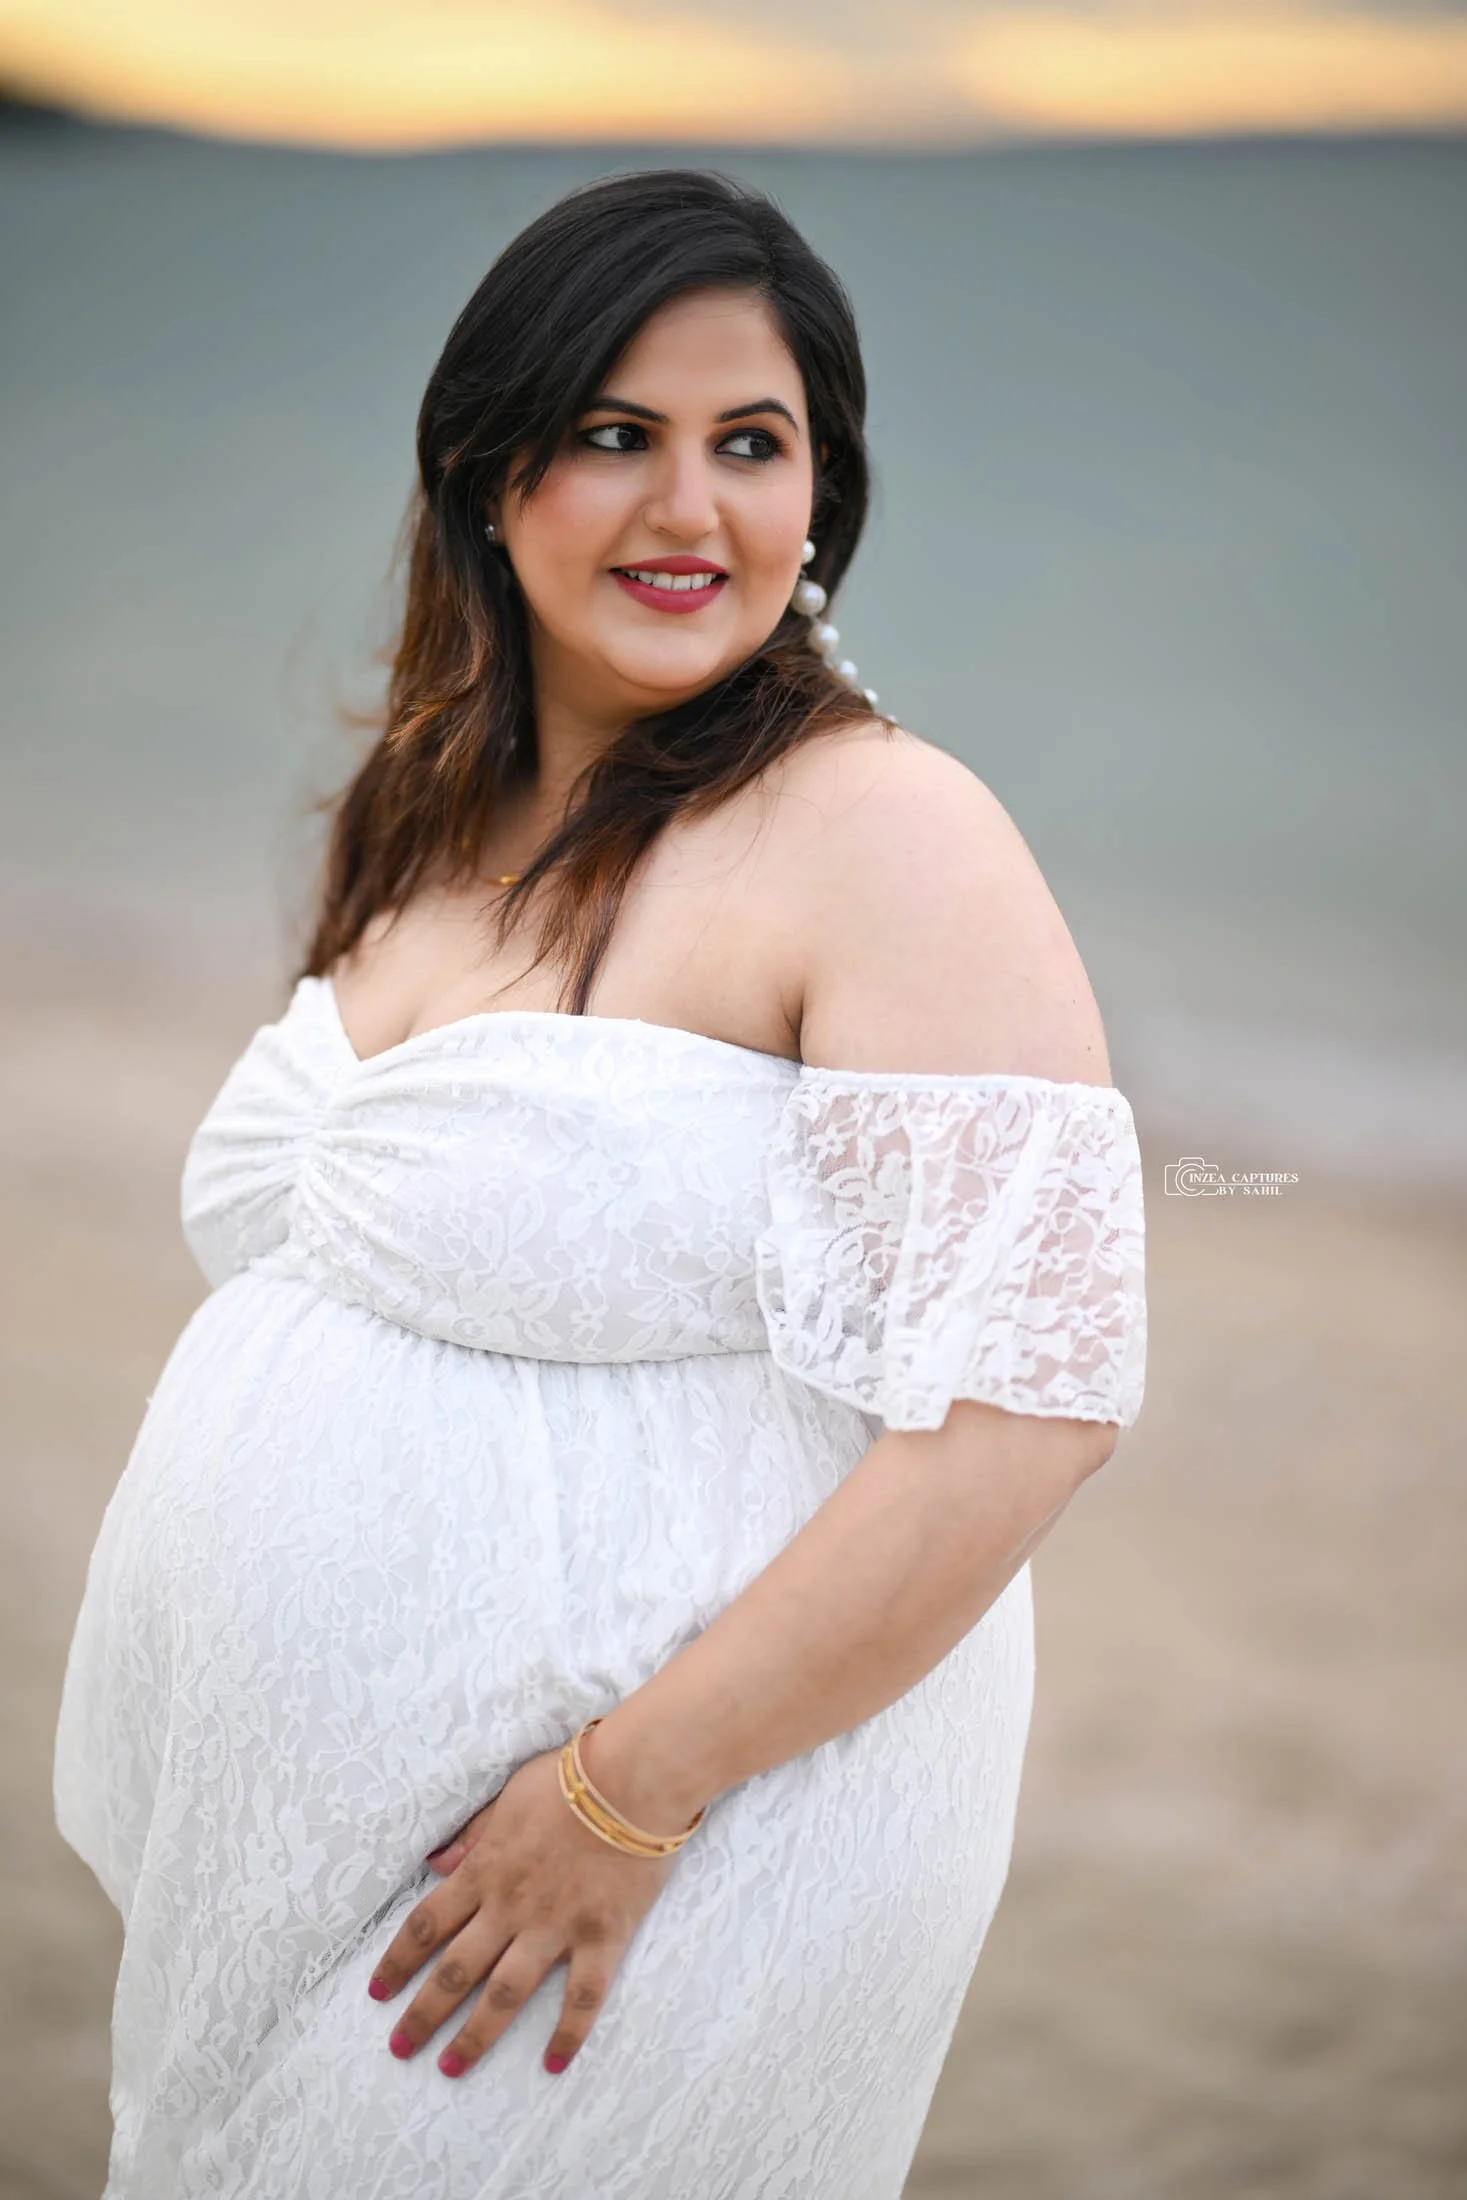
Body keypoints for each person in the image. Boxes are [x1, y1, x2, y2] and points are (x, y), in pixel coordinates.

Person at [54, 167, 1148, 2200]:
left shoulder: (886, 829)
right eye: (612, 436)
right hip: (313, 1872)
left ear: (824, 488)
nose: (689, 508)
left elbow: (1025, 1405)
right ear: (486, 471)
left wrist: (617, 1799)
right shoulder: (428, 805)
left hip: (672, 1844)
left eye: (752, 443)